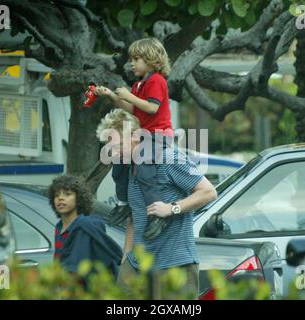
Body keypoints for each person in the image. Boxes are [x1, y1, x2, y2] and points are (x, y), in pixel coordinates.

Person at [96, 109, 218, 299]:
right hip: (137, 265)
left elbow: (209, 192)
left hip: (175, 265)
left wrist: (172, 208)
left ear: (136, 136)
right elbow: (134, 213)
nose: (113, 152)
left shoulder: (169, 158)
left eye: (117, 145)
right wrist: (126, 253)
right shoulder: (129, 167)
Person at [94, 37, 173, 240]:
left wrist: (128, 96)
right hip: (143, 133)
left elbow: (152, 108)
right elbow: (135, 110)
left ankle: (157, 215)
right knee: (119, 165)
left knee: (144, 168)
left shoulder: (156, 81)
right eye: (131, 59)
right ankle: (124, 203)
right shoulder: (139, 84)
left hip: (158, 134)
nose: (132, 63)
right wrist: (113, 96)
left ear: (151, 59)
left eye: (136, 59)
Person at [48, 175, 122, 279]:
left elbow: (77, 270)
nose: (60, 198)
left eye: (67, 194)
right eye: (56, 195)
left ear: (78, 199)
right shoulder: (59, 227)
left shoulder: (84, 227)